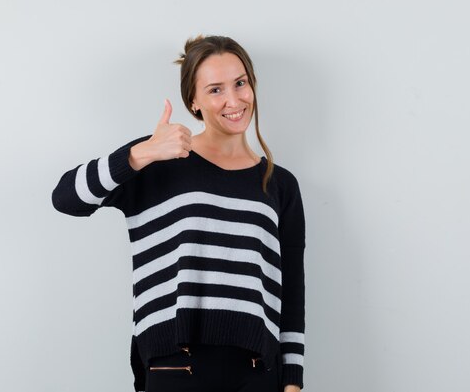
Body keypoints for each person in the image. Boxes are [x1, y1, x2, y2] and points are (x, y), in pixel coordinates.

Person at [51, 35, 306, 392]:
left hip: (258, 371)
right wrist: (140, 154)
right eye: (215, 90)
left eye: (240, 83)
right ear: (194, 102)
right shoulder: (159, 161)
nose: (234, 100)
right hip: (176, 367)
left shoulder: (279, 184)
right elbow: (66, 198)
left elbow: (291, 291)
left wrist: (293, 381)